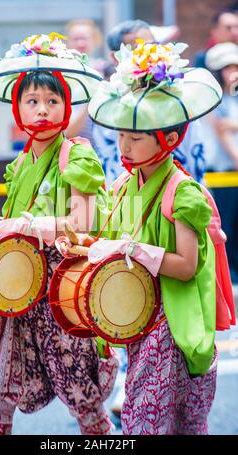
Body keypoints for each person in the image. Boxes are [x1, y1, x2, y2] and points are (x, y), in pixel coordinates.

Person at [59, 40, 235, 434]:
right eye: (122, 135)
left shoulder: (184, 191)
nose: (124, 145)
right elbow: (110, 240)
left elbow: (186, 267)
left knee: (152, 426)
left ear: (170, 139)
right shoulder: (123, 184)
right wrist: (82, 245)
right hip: (140, 324)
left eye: (136, 138)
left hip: (173, 329)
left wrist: (129, 249)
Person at [0, 33, 117, 435]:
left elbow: (83, 226)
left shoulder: (79, 154)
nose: (42, 110)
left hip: (63, 292)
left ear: (67, 107)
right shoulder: (18, 167)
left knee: (83, 398)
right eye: (32, 101)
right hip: (18, 291)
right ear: (17, 107)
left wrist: (24, 226)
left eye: (53, 101)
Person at [97, 20, 207, 188]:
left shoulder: (177, 91)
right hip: (128, 191)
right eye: (138, 47)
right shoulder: (110, 97)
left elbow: (194, 150)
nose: (148, 52)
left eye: (152, 45)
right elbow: (111, 158)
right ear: (115, 57)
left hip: (178, 187)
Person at [203, 41, 238, 283]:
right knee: (226, 226)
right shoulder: (215, 100)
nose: (232, 72)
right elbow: (221, 132)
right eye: (226, 68)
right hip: (220, 173)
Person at [65, 19, 106, 154]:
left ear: (95, 40)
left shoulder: (106, 71)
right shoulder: (64, 77)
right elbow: (69, 132)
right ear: (68, 42)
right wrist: (92, 97)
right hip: (79, 154)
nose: (80, 43)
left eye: (84, 38)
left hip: (108, 153)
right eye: (75, 39)